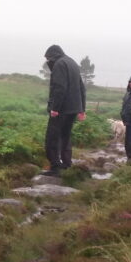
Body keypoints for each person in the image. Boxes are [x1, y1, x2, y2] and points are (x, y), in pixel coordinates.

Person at [42, 45, 86, 176]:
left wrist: (55, 108)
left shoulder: (59, 64)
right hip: (73, 109)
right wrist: (82, 109)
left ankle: (55, 167)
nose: (48, 62)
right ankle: (66, 164)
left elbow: (59, 88)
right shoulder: (72, 63)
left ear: (52, 55)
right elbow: (81, 88)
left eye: (48, 58)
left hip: (61, 109)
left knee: (52, 137)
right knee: (65, 136)